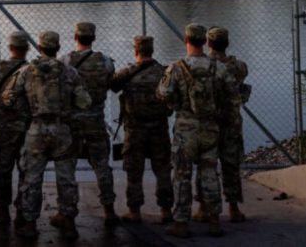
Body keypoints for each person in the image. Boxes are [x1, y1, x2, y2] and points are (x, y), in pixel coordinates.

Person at [157, 24, 243, 238]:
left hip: (186, 128)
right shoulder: (219, 68)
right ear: (204, 42)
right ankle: (214, 220)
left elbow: (163, 93)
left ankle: (181, 222)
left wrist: (175, 104)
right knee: (209, 172)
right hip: (210, 128)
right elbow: (233, 97)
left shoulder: (176, 67)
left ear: (186, 40)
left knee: (182, 175)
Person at [13, 31, 91, 240]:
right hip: (62, 130)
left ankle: (30, 224)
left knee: (32, 178)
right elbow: (85, 101)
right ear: (57, 49)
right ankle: (69, 224)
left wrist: (28, 107)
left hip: (36, 129)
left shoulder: (26, 71)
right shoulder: (70, 72)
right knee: (66, 178)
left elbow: (8, 98)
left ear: (39, 48)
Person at [59, 22, 119, 226]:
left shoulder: (65, 61)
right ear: (93, 38)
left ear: (75, 37)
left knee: (67, 167)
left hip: (72, 121)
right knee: (102, 165)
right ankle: (109, 210)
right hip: (95, 120)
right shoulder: (105, 61)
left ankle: (66, 211)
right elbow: (111, 83)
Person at [110, 36, 173, 224]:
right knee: (162, 169)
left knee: (133, 170)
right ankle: (166, 210)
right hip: (159, 128)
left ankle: (135, 211)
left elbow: (112, 85)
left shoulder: (127, 73)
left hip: (135, 130)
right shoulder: (164, 72)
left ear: (135, 50)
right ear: (152, 50)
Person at [192, 27, 250, 223]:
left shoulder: (203, 66)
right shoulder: (239, 66)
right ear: (227, 43)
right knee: (231, 165)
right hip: (231, 122)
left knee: (206, 165)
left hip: (208, 122)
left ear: (208, 43)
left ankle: (203, 207)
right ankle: (233, 208)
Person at [0, 31, 32, 226]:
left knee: (2, 170)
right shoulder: (33, 69)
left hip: (6, 128)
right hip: (29, 128)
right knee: (26, 171)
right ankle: (22, 212)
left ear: (10, 48)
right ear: (27, 48)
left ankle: (3, 211)